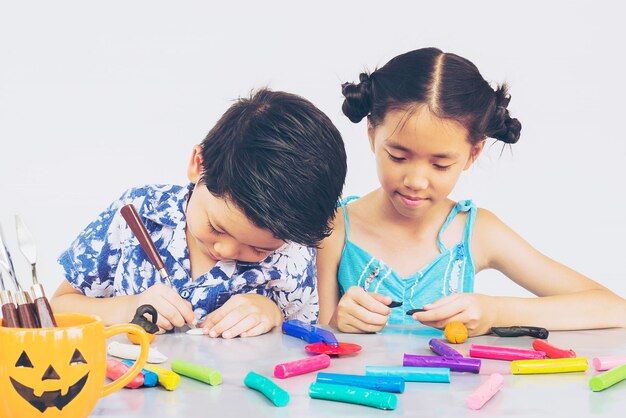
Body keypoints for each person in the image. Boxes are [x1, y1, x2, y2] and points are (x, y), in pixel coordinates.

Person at [317, 47, 626, 335]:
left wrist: (494, 311)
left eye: (440, 165)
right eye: (398, 157)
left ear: (473, 154)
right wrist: (337, 321)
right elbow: (312, 338)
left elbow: (613, 309)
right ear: (371, 134)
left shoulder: (476, 231)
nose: (416, 180)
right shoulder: (336, 228)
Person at [51, 88, 347, 338]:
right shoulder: (138, 212)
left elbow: (307, 340)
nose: (225, 250)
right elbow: (58, 307)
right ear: (198, 164)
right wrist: (127, 308)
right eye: (217, 227)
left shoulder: (292, 253)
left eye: (258, 249)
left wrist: (273, 316)